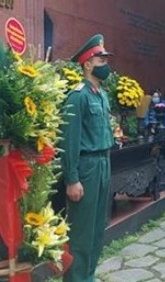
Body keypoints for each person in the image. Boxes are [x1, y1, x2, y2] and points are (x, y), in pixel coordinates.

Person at [61, 34, 115, 282]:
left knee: (96, 229)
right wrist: (72, 178)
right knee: (81, 232)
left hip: (103, 163)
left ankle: (88, 276)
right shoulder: (78, 96)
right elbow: (69, 141)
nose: (106, 63)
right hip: (87, 167)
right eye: (101, 59)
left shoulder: (100, 94)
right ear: (87, 64)